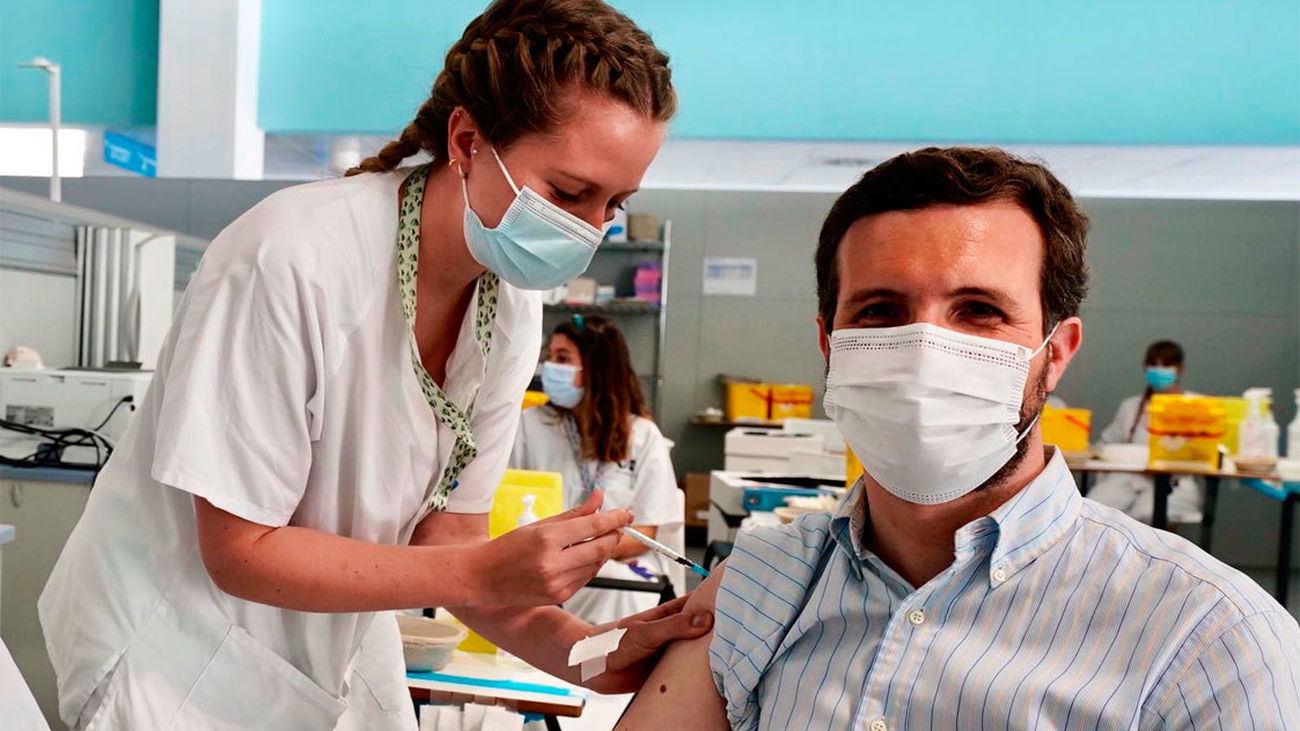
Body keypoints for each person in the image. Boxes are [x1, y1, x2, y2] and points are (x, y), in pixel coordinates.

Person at [37, 3, 711, 729]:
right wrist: (487, 569)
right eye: (569, 193)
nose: (589, 228)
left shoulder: (506, 306)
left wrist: (603, 651)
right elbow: (238, 550)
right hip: (175, 661)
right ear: (467, 140)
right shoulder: (290, 258)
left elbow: (448, 544)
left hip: (326, 657)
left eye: (614, 204)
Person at [619, 147, 1300, 729]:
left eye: (978, 310)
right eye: (880, 310)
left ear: (1055, 353)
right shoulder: (765, 579)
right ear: (831, 343)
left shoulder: (1210, 641)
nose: (923, 349)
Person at [510, 315, 684, 624]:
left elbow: (645, 533)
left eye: (562, 358)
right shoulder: (531, 424)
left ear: (598, 368)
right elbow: (507, 503)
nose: (550, 368)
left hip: (616, 564)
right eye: (550, 358)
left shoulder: (642, 435)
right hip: (542, 561)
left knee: (622, 596)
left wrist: (588, 551)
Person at [1089, 340, 1203, 523]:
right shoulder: (1131, 407)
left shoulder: (1197, 406)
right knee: (1093, 509)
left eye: (1166, 365)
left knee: (1148, 516)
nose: (1159, 370)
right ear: (1145, 367)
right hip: (1128, 478)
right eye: (1153, 365)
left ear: (1179, 369)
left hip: (1175, 481)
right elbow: (1106, 444)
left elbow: (1207, 451)